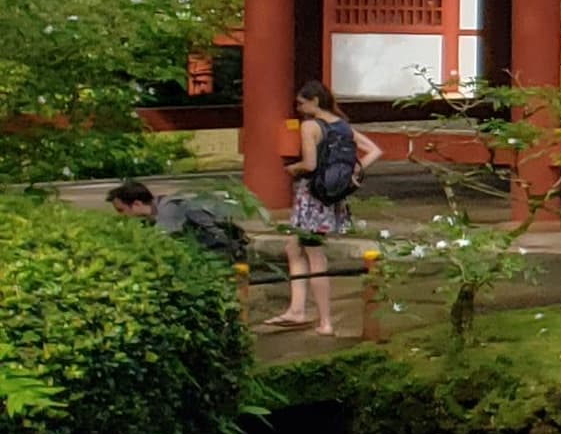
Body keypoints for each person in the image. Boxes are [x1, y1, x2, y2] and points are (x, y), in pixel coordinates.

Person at [275, 83, 376, 335]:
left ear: (314, 102)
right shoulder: (342, 125)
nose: (299, 109)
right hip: (332, 196)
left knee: (314, 254)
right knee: (293, 246)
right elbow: (375, 150)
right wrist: (354, 171)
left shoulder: (310, 127)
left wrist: (292, 168)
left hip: (312, 195)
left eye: (301, 103)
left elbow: (310, 164)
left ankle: (324, 321)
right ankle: (297, 309)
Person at [105, 177, 250, 270]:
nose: (121, 215)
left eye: (121, 210)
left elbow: (166, 245)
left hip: (222, 253)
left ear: (136, 204)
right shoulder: (158, 207)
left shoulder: (169, 209)